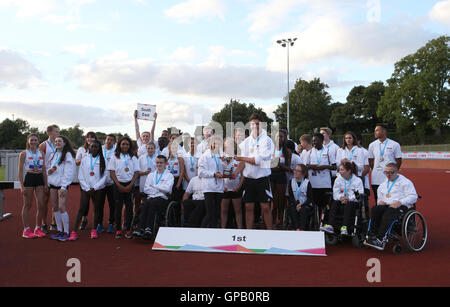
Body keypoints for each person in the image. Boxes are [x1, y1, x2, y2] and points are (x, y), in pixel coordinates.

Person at [232, 113, 275, 230]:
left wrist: (241, 158)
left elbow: (257, 160)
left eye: (257, 124)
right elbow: (243, 163)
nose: (255, 126)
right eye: (253, 124)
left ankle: (270, 232)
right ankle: (249, 233)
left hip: (262, 179)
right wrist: (235, 173)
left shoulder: (267, 140)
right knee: (248, 207)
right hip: (249, 179)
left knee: (265, 207)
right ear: (249, 126)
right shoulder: (246, 142)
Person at [364, 163, 417, 250]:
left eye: (391, 172)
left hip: (400, 206)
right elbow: (379, 198)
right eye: (386, 172)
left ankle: (380, 238)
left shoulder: (405, 182)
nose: (388, 175)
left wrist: (400, 202)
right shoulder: (383, 184)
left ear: (397, 171)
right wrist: (380, 202)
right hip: (386, 205)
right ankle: (372, 235)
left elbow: (413, 196)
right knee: (375, 209)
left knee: (390, 212)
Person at [70, 140, 107, 240]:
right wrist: (86, 187)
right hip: (86, 188)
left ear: (99, 149)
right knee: (81, 209)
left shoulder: (103, 160)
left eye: (96, 147)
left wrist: (95, 187)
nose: (94, 148)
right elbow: (80, 175)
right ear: (89, 147)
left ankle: (94, 230)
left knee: (96, 209)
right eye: (92, 146)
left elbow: (105, 176)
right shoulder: (85, 159)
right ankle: (74, 232)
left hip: (98, 189)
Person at [133, 155, 174, 239]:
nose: (159, 164)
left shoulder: (169, 176)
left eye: (161, 163)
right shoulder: (151, 175)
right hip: (151, 197)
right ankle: (140, 228)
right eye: (157, 162)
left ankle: (149, 228)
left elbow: (167, 189)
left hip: (162, 199)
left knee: (153, 203)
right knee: (145, 204)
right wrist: (159, 188)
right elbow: (146, 189)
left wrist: (154, 186)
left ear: (165, 164)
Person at [107, 136, 140, 239]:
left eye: (127, 144)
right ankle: (118, 230)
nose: (125, 146)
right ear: (119, 145)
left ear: (130, 146)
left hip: (130, 185)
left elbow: (136, 172)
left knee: (130, 207)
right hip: (118, 185)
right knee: (118, 207)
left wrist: (130, 185)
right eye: (123, 144)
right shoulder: (115, 157)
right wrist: (118, 185)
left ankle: (129, 228)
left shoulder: (133, 157)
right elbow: (112, 172)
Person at [321, 161, 364, 235]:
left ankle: (344, 227)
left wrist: (348, 198)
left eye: (342, 169)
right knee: (335, 203)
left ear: (349, 171)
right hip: (340, 201)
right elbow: (335, 193)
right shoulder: (338, 179)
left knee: (349, 204)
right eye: (339, 169)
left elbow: (360, 194)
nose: (339, 171)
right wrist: (341, 198)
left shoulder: (357, 180)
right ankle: (330, 225)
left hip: (353, 202)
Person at [18, 134, 48, 238]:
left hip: (39, 178)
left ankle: (37, 228)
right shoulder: (23, 154)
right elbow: (20, 171)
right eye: (32, 140)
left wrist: (46, 184)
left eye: (35, 140)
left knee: (41, 204)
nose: (34, 142)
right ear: (28, 141)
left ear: (38, 141)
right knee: (28, 204)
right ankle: (26, 230)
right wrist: (22, 186)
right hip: (29, 178)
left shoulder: (42, 153)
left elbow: (44, 170)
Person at [47, 136, 76, 241]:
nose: (57, 142)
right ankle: (59, 230)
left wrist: (64, 186)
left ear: (64, 143)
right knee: (55, 207)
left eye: (59, 141)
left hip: (62, 185)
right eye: (55, 141)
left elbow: (69, 172)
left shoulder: (68, 155)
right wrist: (49, 171)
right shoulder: (53, 154)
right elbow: (50, 167)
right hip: (53, 184)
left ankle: (66, 232)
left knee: (61, 207)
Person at [304, 133, 336, 225]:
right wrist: (313, 166)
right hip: (313, 184)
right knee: (315, 206)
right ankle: (315, 224)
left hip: (325, 184)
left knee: (325, 206)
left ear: (322, 141)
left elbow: (334, 167)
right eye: (313, 140)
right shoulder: (310, 152)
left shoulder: (328, 151)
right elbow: (306, 166)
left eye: (316, 140)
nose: (314, 142)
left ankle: (325, 224)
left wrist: (324, 167)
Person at [368, 124, 402, 204]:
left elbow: (399, 160)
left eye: (377, 130)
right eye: (375, 130)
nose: (375, 132)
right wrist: (376, 169)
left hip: (390, 177)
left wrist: (393, 172)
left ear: (383, 131)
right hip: (376, 177)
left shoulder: (394, 144)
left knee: (391, 197)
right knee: (378, 198)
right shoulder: (372, 145)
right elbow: (371, 161)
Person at [198, 136, 225, 228]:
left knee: (217, 213)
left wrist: (225, 163)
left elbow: (225, 170)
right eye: (214, 143)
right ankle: (201, 231)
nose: (216, 145)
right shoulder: (204, 156)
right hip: (209, 188)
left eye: (218, 143)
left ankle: (214, 233)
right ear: (210, 144)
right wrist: (214, 174)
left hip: (219, 188)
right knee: (210, 213)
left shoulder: (222, 156)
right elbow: (201, 172)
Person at [38, 124, 60, 233]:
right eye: (56, 131)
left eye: (58, 131)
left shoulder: (59, 145)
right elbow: (40, 162)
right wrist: (44, 176)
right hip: (46, 175)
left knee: (56, 201)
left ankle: (53, 222)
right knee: (45, 200)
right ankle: (43, 223)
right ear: (49, 133)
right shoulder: (43, 145)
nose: (58, 133)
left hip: (56, 176)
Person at [75, 131, 98, 230]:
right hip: (85, 179)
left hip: (95, 180)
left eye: (92, 137)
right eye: (88, 137)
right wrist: (85, 159)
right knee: (85, 203)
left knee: (96, 203)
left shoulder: (97, 148)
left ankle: (97, 224)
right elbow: (77, 162)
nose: (90, 139)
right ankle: (84, 219)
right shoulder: (81, 149)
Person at [270, 129, 292, 229]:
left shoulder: (287, 151)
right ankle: (273, 221)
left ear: (284, 138)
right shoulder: (270, 149)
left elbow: (288, 168)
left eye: (281, 136)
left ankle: (281, 221)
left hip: (281, 176)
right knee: (272, 200)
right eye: (277, 136)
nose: (279, 138)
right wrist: (274, 164)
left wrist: (279, 164)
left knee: (281, 200)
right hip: (271, 175)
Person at [221, 137, 244, 229]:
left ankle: (240, 229)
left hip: (235, 188)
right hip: (225, 188)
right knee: (224, 210)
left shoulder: (238, 159)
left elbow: (242, 175)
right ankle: (223, 229)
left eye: (230, 146)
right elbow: (219, 173)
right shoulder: (221, 159)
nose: (228, 148)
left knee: (238, 210)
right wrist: (222, 186)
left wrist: (239, 186)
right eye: (226, 146)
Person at [287, 164, 313, 231]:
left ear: (303, 173)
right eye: (294, 170)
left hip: (305, 204)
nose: (295, 172)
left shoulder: (307, 183)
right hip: (295, 203)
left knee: (303, 210)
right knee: (292, 208)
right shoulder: (291, 182)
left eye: (297, 171)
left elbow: (310, 198)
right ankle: (296, 228)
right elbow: (290, 197)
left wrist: (301, 205)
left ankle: (302, 228)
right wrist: (296, 205)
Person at [100, 134, 117, 233]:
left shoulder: (116, 151)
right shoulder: (100, 149)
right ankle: (99, 224)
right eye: (107, 139)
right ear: (105, 140)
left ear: (114, 142)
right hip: (100, 181)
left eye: (111, 140)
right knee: (99, 204)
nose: (109, 141)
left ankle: (111, 223)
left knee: (112, 204)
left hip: (112, 182)